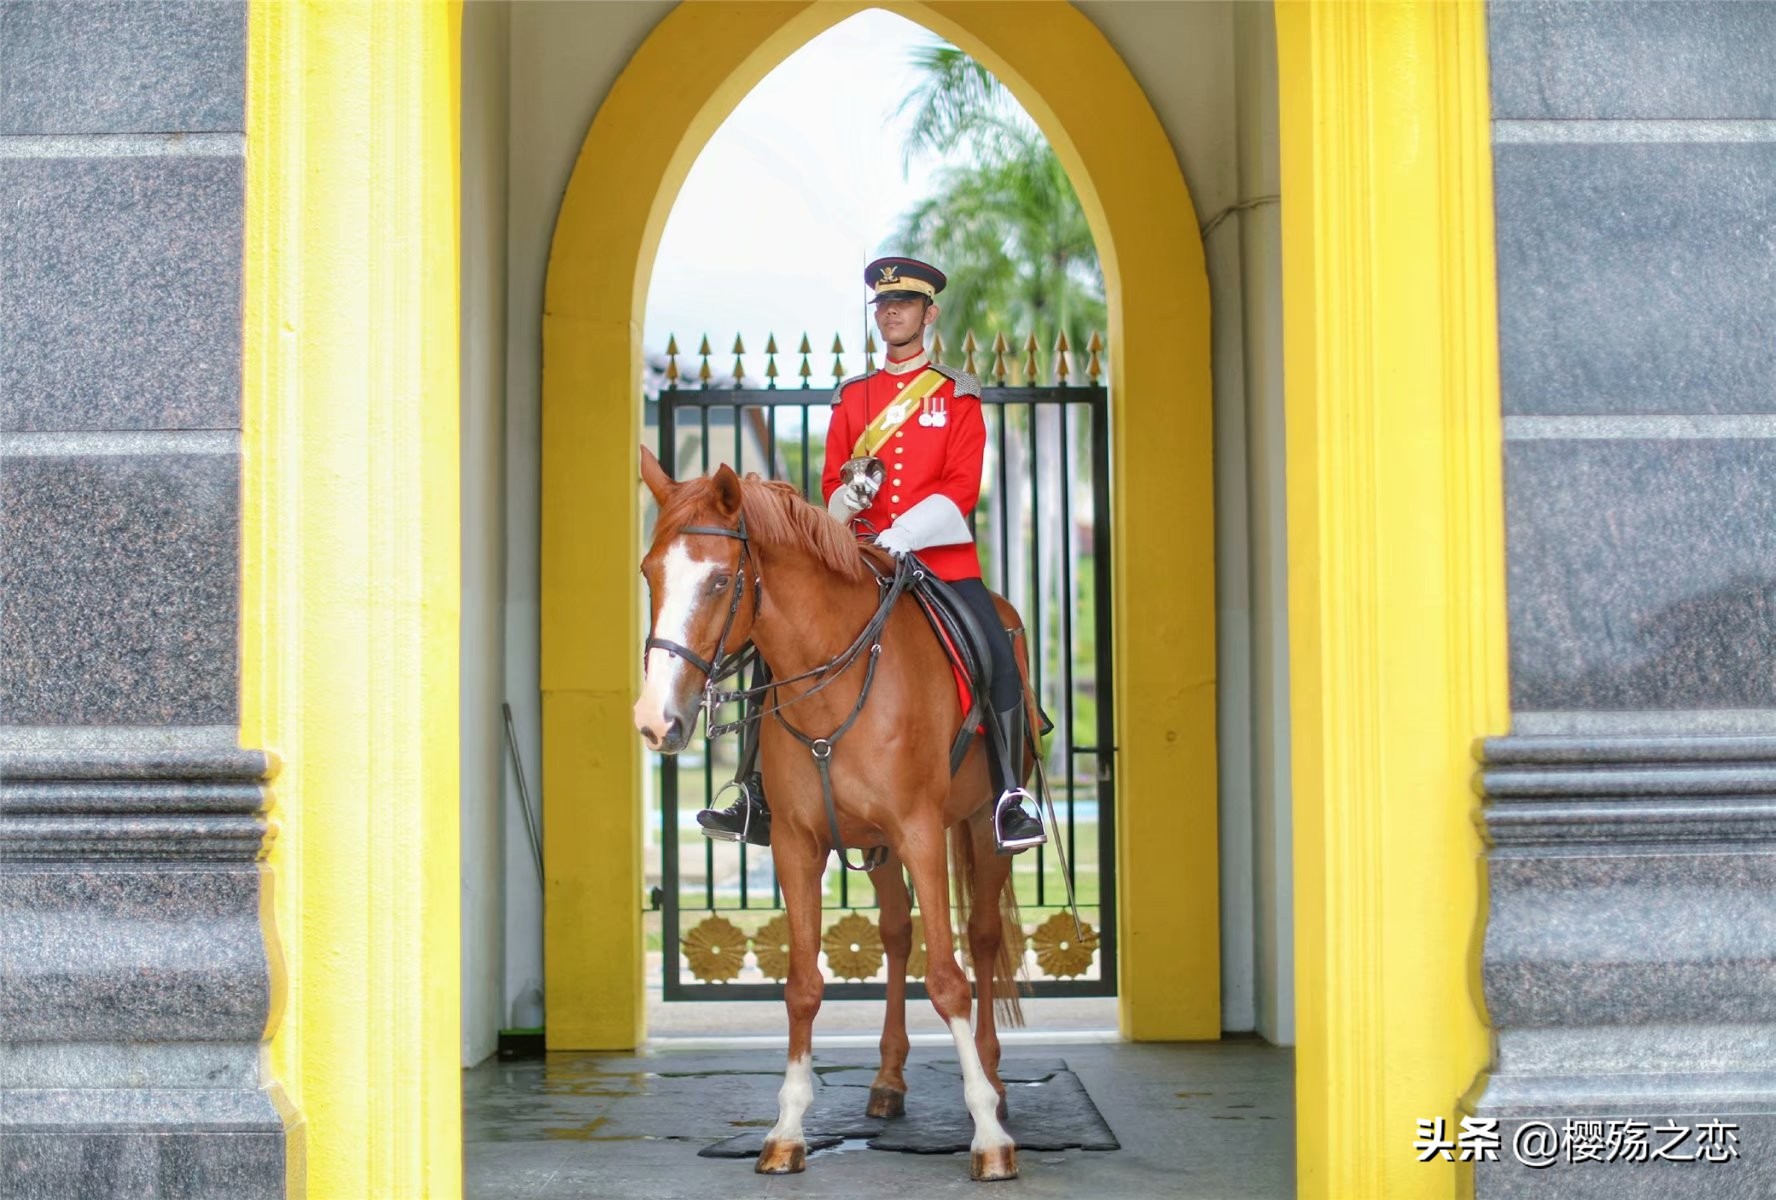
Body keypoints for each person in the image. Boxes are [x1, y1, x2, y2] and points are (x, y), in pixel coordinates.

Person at [697, 255, 1046, 854]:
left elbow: (962, 488)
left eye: (903, 304)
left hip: (938, 558)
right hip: (858, 557)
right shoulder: (854, 397)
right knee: (770, 640)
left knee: (994, 644)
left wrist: (907, 531)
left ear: (927, 313)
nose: (890, 313)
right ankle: (754, 791)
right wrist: (845, 499)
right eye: (883, 305)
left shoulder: (956, 396)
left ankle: (1010, 795)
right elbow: (832, 481)